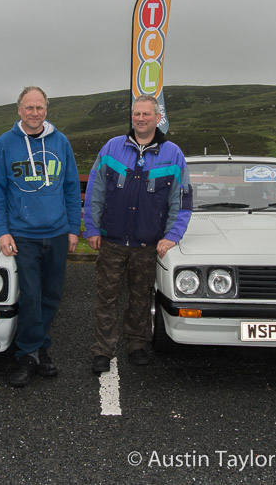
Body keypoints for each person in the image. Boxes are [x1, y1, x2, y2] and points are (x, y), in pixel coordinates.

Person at [83, 94, 192, 373]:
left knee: (141, 296)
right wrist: (92, 227)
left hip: (148, 243)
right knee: (106, 297)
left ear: (158, 118)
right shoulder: (111, 148)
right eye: (137, 114)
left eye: (146, 114)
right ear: (132, 117)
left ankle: (136, 344)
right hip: (112, 241)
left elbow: (182, 202)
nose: (141, 119)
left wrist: (172, 236)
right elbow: (95, 191)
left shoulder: (174, 154)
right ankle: (102, 350)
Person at [0, 86, 82, 387]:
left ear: (46, 110)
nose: (35, 113)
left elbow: (70, 187)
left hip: (56, 232)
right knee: (30, 295)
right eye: (29, 107)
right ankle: (28, 355)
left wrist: (72, 228)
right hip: (23, 235)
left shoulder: (60, 142)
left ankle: (39, 346)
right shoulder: (4, 144)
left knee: (52, 295)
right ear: (19, 110)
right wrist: (2, 231)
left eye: (39, 107)